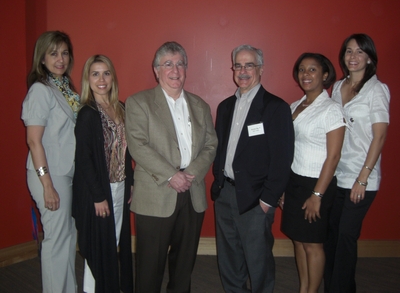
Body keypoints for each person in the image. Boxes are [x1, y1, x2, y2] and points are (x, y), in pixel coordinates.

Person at [125, 41, 218, 293]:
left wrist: (190, 174)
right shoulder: (138, 102)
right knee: (148, 268)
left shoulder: (200, 105)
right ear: (156, 70)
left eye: (180, 64)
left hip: (192, 191)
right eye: (168, 64)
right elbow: (138, 146)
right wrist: (171, 175)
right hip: (156, 194)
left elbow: (211, 143)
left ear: (186, 69)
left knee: (184, 266)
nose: (174, 70)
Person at [211, 44, 294, 293]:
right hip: (225, 192)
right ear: (232, 69)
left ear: (261, 69)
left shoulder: (275, 107)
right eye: (238, 65)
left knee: (258, 261)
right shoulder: (225, 107)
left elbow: (283, 158)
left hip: (256, 198)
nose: (243, 70)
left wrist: (268, 200)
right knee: (229, 258)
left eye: (249, 65)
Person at [324, 34, 390, 293]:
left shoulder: (377, 89)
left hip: (362, 178)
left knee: (346, 237)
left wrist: (362, 178)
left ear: (370, 58)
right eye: (349, 51)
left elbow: (380, 136)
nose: (353, 56)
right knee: (332, 236)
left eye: (360, 52)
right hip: (337, 174)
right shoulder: (338, 87)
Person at [280, 53, 345, 293]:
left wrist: (317, 195)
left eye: (313, 70)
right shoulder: (295, 106)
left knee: (313, 245)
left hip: (317, 184)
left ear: (325, 75)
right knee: (298, 240)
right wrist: (284, 187)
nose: (306, 74)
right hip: (295, 182)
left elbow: (334, 156)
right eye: (302, 70)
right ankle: (304, 289)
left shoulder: (331, 110)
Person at [21, 31, 79, 293]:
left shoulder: (65, 88)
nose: (60, 59)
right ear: (42, 59)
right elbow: (34, 141)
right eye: (53, 53)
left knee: (68, 238)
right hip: (49, 174)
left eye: (65, 53)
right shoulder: (40, 90)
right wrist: (46, 185)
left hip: (66, 173)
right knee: (57, 241)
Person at [72, 55, 133, 293]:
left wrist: (132, 182)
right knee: (98, 246)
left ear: (113, 77)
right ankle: (91, 290)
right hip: (97, 192)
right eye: (95, 73)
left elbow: (128, 152)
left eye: (106, 73)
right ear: (88, 78)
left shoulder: (121, 108)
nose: (101, 79)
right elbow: (84, 159)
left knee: (113, 241)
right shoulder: (87, 113)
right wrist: (98, 196)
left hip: (119, 186)